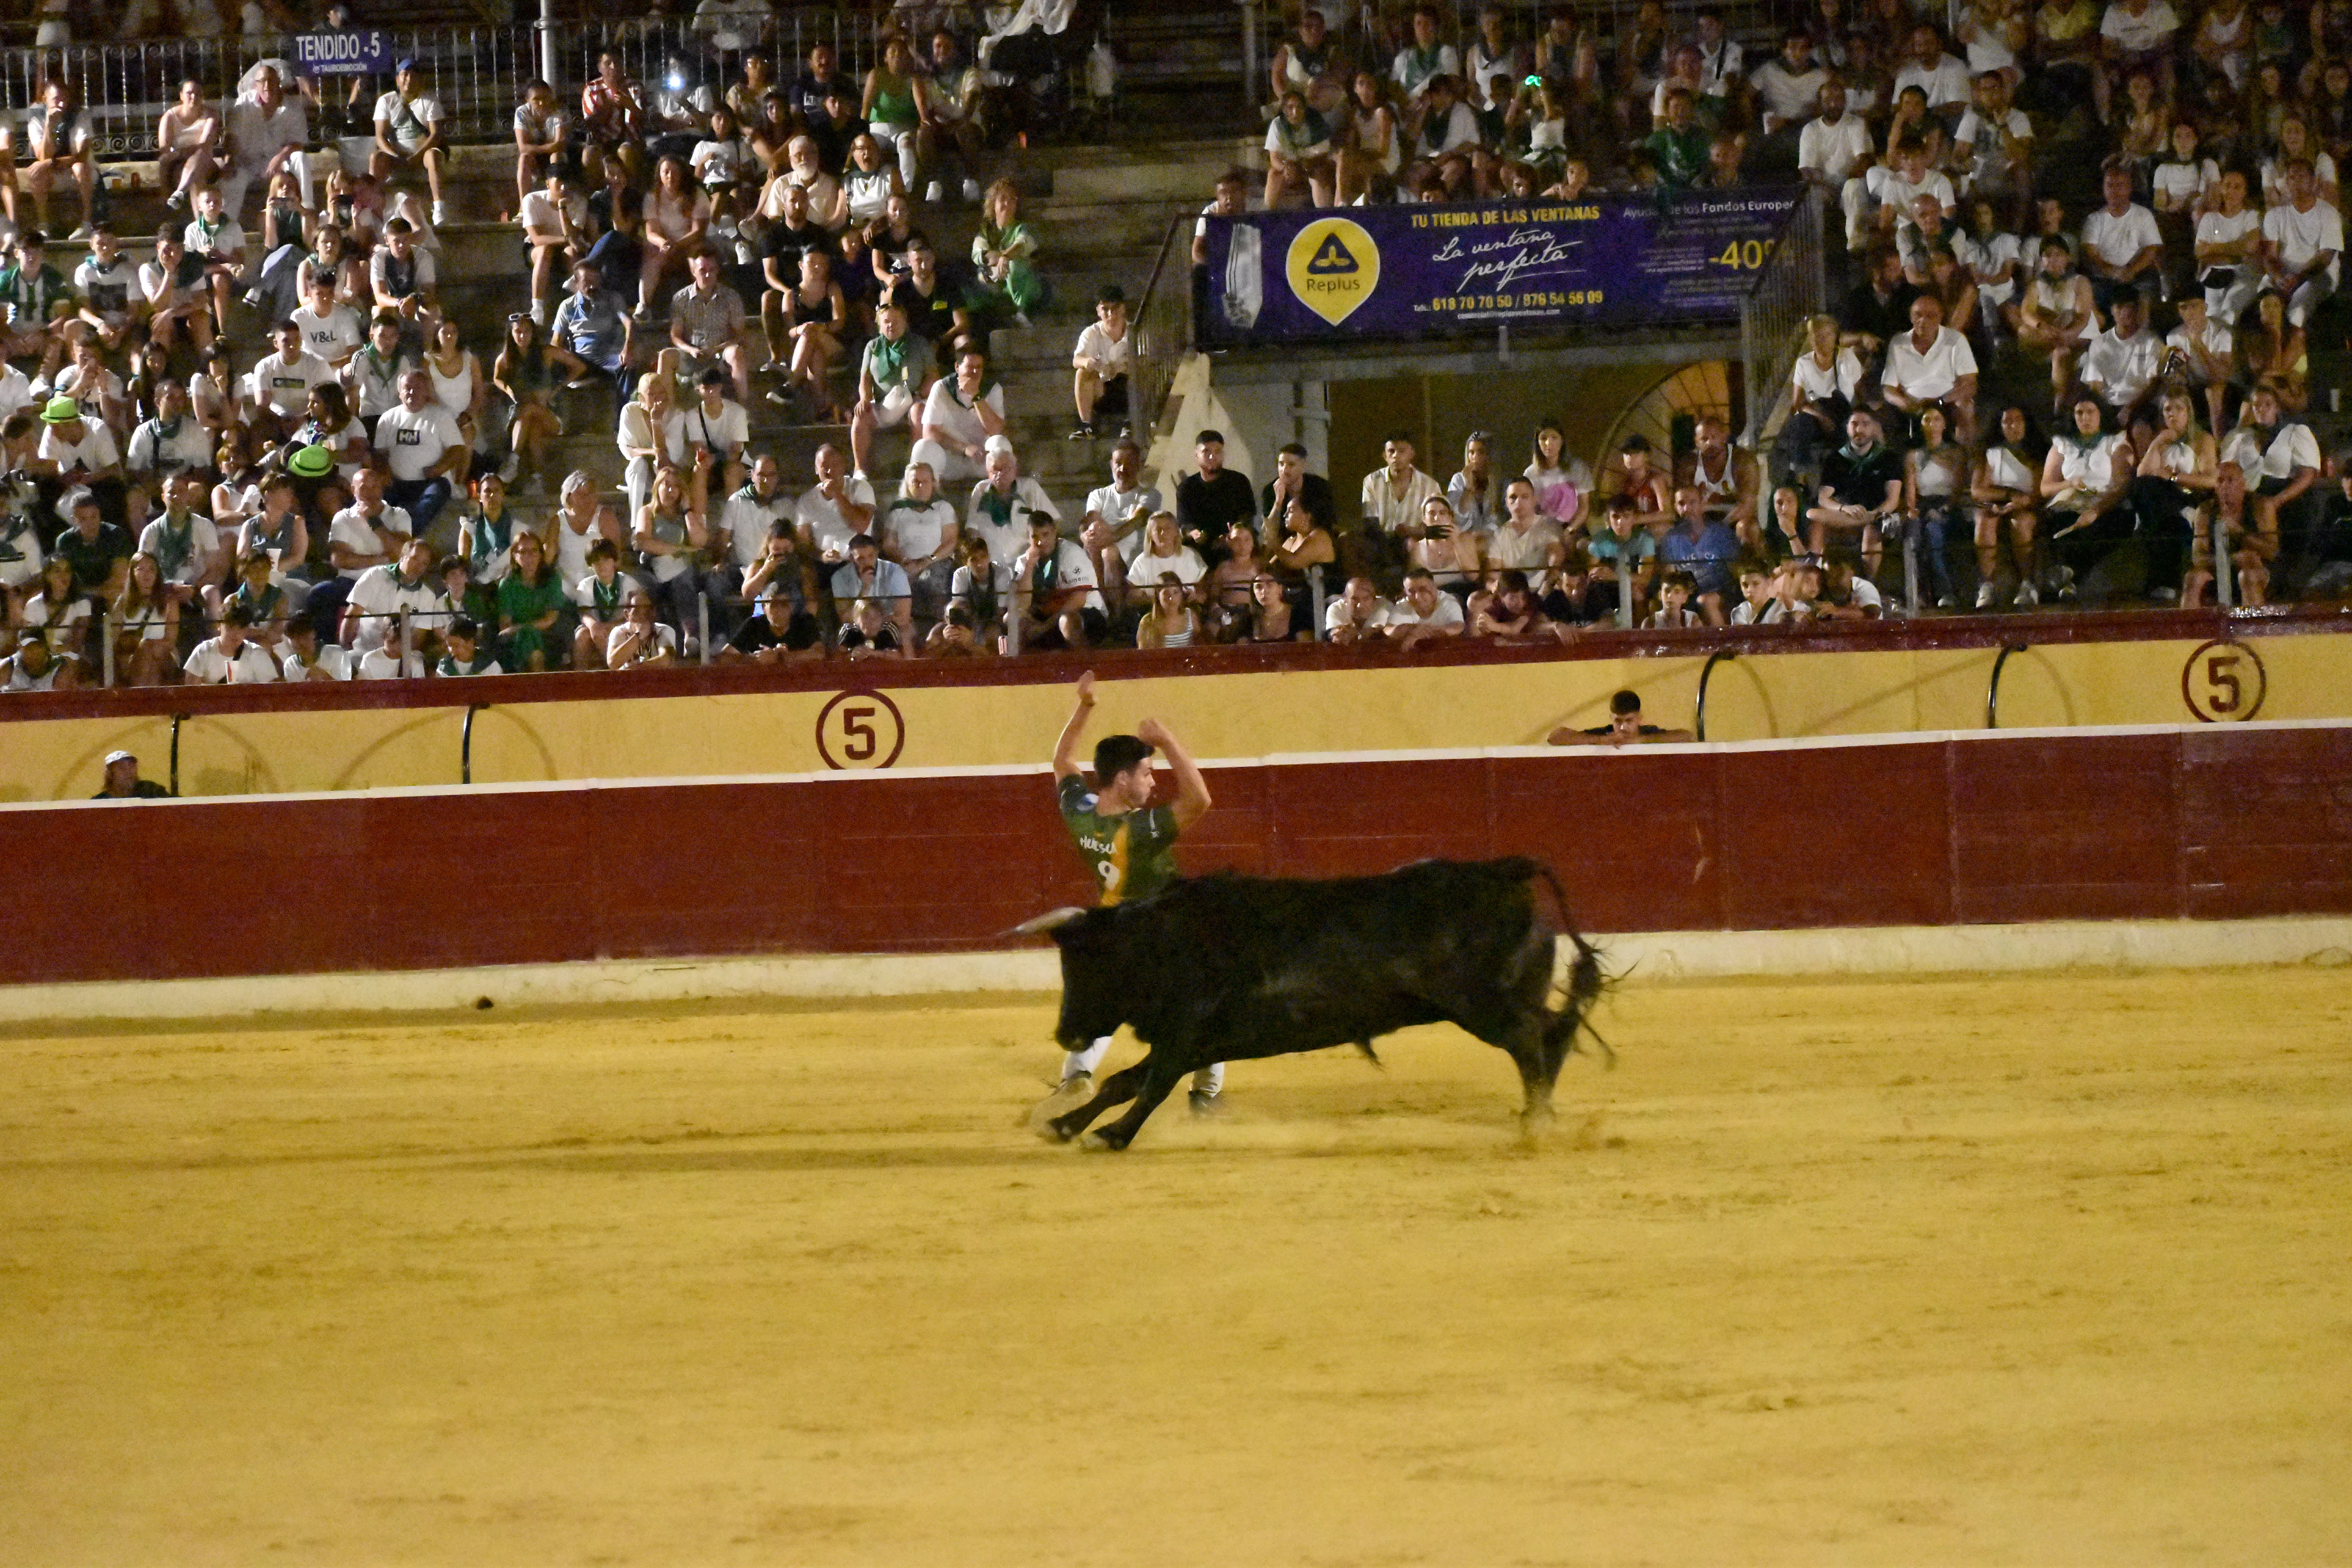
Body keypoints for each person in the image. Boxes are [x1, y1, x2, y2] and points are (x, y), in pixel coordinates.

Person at [1042, 671, 1220, 1113]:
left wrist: (1084, 707)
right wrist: (1168, 740)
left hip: (1110, 925)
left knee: (1103, 1008)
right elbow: (1199, 800)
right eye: (1147, 773)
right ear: (1122, 779)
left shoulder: (1081, 813)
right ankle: (1204, 1097)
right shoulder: (1137, 832)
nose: (1154, 783)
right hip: (1159, 931)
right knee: (1209, 1003)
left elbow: (1063, 760)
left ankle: (1075, 1080)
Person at [372, 59, 452, 228]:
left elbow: (436, 134)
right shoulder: (386, 101)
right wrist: (393, 155)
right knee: (376, 158)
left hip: (422, 151)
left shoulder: (429, 100)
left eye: (414, 76)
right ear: (397, 79)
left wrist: (418, 155)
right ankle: (373, 207)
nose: (409, 79)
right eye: (405, 75)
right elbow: (380, 136)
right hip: (396, 153)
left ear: (420, 80)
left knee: (434, 156)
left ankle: (439, 208)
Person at [1548, 688, 1695, 745]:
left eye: (1629, 721)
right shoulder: (1604, 735)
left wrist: (1642, 741)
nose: (1623, 727)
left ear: (1639, 718)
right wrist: (1600, 740)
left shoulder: (1649, 733)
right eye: (1618, 721)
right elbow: (1554, 737)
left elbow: (1688, 736)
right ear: (1611, 718)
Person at [91, 749, 172, 799]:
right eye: (122, 768)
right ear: (110, 774)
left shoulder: (152, 791)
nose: (128, 772)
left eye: (132, 767)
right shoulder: (100, 802)